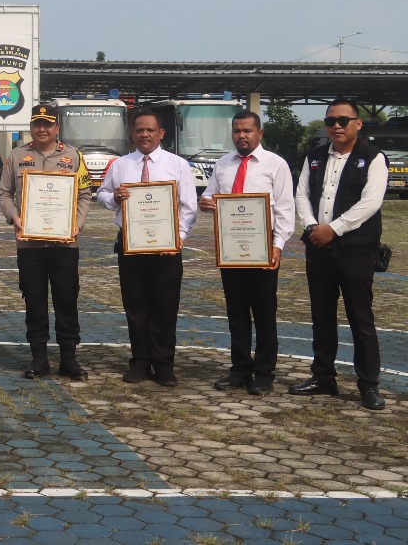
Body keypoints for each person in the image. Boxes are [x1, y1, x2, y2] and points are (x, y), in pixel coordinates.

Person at [290, 98, 388, 411]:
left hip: (355, 250)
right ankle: (323, 376)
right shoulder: (315, 156)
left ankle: (368, 385)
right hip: (318, 249)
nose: (336, 126)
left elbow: (371, 202)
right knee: (322, 315)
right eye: (331, 120)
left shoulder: (373, 158)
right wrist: (310, 226)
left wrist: (335, 228)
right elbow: (301, 194)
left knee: (361, 318)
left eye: (343, 120)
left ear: (358, 124)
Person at [97, 109, 198, 387]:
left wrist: (177, 237)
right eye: (139, 130)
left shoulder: (178, 165)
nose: (144, 134)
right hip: (130, 244)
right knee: (136, 305)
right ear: (133, 133)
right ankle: (140, 361)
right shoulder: (120, 165)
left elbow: (189, 206)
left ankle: (164, 363)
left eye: (150, 130)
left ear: (161, 133)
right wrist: (114, 197)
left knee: (165, 306)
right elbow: (101, 194)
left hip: (166, 247)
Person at [199, 110, 295, 396]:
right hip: (231, 251)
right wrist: (206, 203)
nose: (242, 136)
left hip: (263, 251)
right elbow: (211, 195)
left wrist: (278, 245)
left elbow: (285, 210)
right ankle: (239, 367)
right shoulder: (223, 164)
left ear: (260, 133)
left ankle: (264, 372)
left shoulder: (276, 165)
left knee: (265, 313)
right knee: (236, 312)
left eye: (248, 131)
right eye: (237, 131)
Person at [0, 104, 93, 381]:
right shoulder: (16, 156)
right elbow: (4, 194)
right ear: (31, 127)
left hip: (65, 244)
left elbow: (85, 194)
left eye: (47, 124)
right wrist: (13, 216)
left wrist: (76, 224)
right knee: (34, 301)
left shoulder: (73, 156)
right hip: (30, 245)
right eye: (37, 124)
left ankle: (68, 358)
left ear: (57, 128)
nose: (42, 129)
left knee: (66, 299)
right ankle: (39, 358)